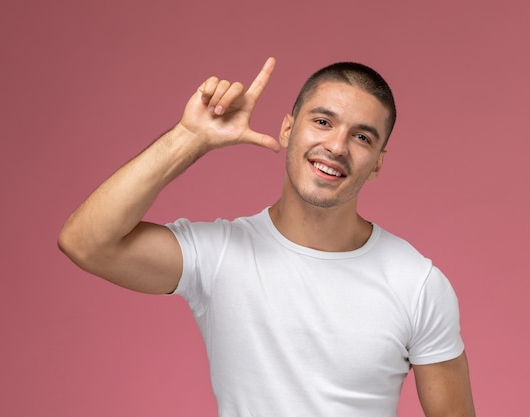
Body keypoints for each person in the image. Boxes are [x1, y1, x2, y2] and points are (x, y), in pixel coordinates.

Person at [58, 57, 475, 416]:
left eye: (362, 136)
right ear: (288, 129)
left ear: (378, 162)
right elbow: (86, 243)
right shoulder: (220, 255)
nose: (337, 145)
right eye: (323, 121)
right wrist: (190, 138)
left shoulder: (417, 284)